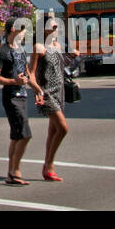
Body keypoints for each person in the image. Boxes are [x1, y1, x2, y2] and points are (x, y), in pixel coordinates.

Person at [0, 17, 42, 185]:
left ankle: (11, 173)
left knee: (16, 136)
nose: (25, 32)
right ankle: (15, 171)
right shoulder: (3, 51)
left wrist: (38, 90)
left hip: (22, 95)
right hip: (11, 96)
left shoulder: (19, 50)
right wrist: (13, 82)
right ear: (14, 30)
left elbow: (26, 73)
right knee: (25, 135)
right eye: (23, 29)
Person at [31, 15, 69, 182]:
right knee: (63, 128)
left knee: (53, 131)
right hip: (46, 93)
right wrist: (37, 91)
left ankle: (47, 167)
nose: (56, 30)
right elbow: (31, 74)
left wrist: (72, 57)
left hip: (59, 92)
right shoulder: (39, 47)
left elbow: (60, 68)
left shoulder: (57, 45)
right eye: (53, 27)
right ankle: (49, 164)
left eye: (57, 27)